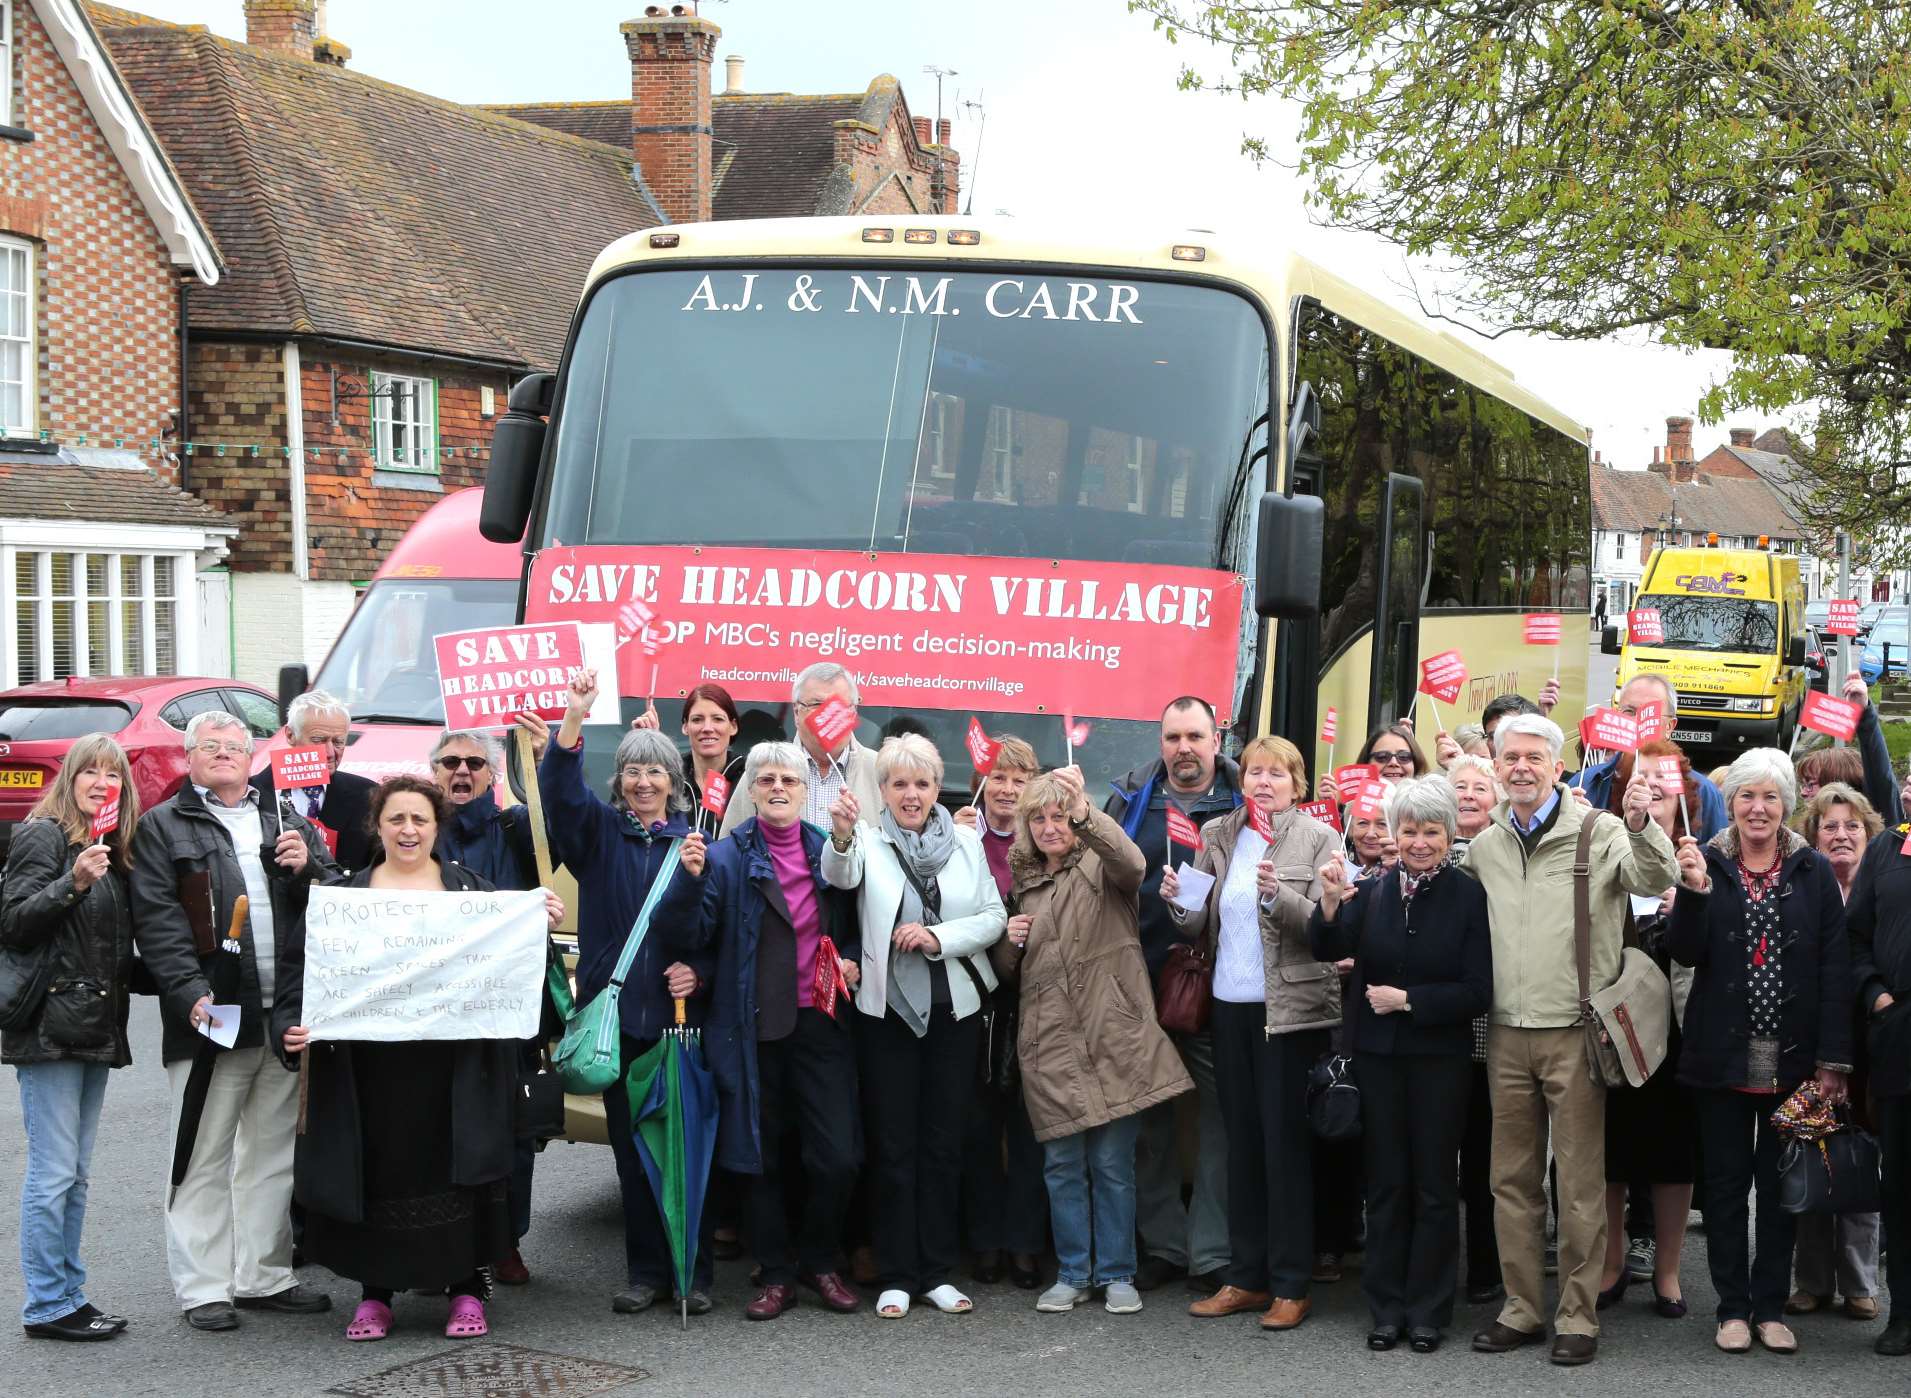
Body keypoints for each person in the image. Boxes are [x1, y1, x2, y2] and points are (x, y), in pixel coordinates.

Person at [276, 776, 564, 1342]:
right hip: (372, 1074)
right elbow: (298, 975)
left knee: (458, 1176)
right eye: (396, 820)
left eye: (420, 820)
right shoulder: (344, 901)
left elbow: (516, 968)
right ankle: (375, 1296)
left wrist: (537, 926)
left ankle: (464, 1290)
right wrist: (288, 1026)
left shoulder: (472, 894)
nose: (408, 830)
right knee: (380, 1176)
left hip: (456, 1070)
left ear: (437, 827)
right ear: (377, 827)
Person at [1464, 715, 1676, 1367]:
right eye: (1510, 757)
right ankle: (1522, 1307)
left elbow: (1652, 877)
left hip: (1574, 1029)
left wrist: (1642, 824)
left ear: (1557, 768)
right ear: (1496, 766)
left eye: (1535, 757)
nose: (1520, 767)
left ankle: (1576, 1316)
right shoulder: (1484, 846)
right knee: (1510, 1180)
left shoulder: (1598, 830)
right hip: (1502, 1033)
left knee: (1579, 1183)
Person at [131, 711, 337, 1332]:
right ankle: (203, 1288)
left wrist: (312, 867)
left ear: (252, 757)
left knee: (273, 1152)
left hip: (283, 1013)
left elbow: (333, 901)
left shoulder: (286, 818)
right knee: (202, 1152)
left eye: (235, 746)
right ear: (188, 757)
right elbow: (159, 922)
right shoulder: (163, 826)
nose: (224, 753)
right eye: (210, 746)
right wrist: (190, 994)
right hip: (213, 1012)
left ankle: (263, 1275)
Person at [657, 742, 864, 1322]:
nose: (777, 788)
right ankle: (776, 1274)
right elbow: (688, 934)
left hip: (821, 1020)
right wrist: (689, 880)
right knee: (760, 1156)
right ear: (750, 790)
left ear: (805, 791)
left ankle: (820, 1260)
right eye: (766, 778)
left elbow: (852, 926)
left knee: (838, 1157)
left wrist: (850, 959)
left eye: (789, 781)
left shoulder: (829, 849)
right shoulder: (722, 857)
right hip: (751, 1029)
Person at [1667, 747, 1853, 1356]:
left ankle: (1770, 1306)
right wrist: (1691, 892)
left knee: (1779, 1191)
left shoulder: (1812, 869)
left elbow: (1833, 966)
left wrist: (1832, 1059)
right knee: (1723, 1186)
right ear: (1733, 802)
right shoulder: (1708, 861)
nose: (1758, 807)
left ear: (1786, 806)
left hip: (1793, 1058)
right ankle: (1733, 1308)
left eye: (1770, 796)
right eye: (1747, 795)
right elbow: (1686, 952)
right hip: (1721, 1054)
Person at [540, 670, 714, 1316]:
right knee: (633, 1160)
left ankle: (692, 1277)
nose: (644, 782)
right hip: (620, 1027)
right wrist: (574, 718)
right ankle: (644, 1273)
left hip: (678, 1025)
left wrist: (697, 959)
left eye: (656, 773)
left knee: (685, 1152)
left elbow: (702, 934)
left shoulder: (693, 846)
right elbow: (558, 794)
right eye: (634, 773)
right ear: (621, 781)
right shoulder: (598, 837)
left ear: (674, 783)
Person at [996, 765, 1192, 1316]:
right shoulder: (1024, 885)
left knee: (1112, 1165)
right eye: (1040, 818)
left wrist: (1086, 813)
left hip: (1114, 1036)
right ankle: (1074, 1273)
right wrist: (1009, 943)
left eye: (1059, 816)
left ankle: (1117, 1273)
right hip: (1051, 1044)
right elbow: (1011, 973)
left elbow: (1133, 863)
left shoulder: (1101, 867)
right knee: (1061, 1166)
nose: (1050, 826)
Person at [823, 734, 1006, 1318]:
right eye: (899, 783)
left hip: (954, 1012)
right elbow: (840, 874)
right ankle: (898, 1273)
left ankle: (935, 1272)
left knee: (943, 1145)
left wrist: (937, 939)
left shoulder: (968, 843)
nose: (910, 794)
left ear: (936, 789)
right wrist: (844, 833)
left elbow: (993, 917)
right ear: (882, 791)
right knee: (893, 1147)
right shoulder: (867, 844)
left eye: (921, 783)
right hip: (886, 1017)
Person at [1164, 737, 1340, 1332]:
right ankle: (1246, 1275)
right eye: (1256, 772)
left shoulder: (1318, 838)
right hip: (1228, 1007)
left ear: (1298, 783)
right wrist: (1177, 902)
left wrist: (1278, 894)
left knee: (1284, 1148)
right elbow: (1197, 918)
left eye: (1277, 773)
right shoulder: (1219, 832)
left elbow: (1324, 929)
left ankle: (1291, 1285)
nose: (1264, 782)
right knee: (1239, 1144)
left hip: (1287, 1013)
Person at [1310, 776, 1490, 1352]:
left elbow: (1477, 989)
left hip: (1440, 1061)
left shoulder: (1468, 895)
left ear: (1449, 833)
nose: (1418, 842)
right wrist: (1332, 901)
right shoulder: (1374, 890)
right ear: (1393, 833)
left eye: (1430, 831)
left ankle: (1430, 1310)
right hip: (1379, 1060)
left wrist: (1409, 1001)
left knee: (1435, 1187)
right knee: (1386, 1186)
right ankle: (1385, 1308)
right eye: (1408, 830)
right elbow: (1327, 944)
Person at [3, 735, 139, 1341]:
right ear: (71, 777)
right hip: (49, 1029)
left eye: (113, 773)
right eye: (91, 770)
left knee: (76, 1174)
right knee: (54, 1173)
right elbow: (13, 923)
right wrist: (73, 883)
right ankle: (47, 1304)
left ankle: (69, 1295)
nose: (101, 781)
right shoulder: (45, 835)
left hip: (91, 1028)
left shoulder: (106, 845)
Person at [1104, 697, 1239, 1293]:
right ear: (1160, 742)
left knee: (1222, 1123)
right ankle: (1161, 1245)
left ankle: (1211, 1253)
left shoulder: (1245, 799)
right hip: (1141, 981)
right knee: (1151, 1126)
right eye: (1172, 737)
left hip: (1222, 985)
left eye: (1195, 736)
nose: (1184, 748)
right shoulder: (1130, 799)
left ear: (1217, 739)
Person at [429, 721, 549, 1287]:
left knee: (512, 1128)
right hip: (436, 1006)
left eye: (474, 764)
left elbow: (560, 833)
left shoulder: (516, 826)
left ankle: (506, 1242)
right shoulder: (415, 831)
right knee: (438, 1125)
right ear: (433, 774)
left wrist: (547, 758)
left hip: (507, 1002)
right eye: (450, 762)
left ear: (493, 776)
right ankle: (444, 1241)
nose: (461, 772)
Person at [1595, 738, 1699, 1322]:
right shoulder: (1607, 846)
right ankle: (1611, 1264)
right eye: (1643, 786)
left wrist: (1687, 896)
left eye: (1664, 788)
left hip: (1676, 1023)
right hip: (1614, 1016)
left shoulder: (1697, 853)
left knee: (1671, 1152)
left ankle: (1667, 1270)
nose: (1654, 796)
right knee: (1611, 1148)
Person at [1787, 783, 1884, 1322]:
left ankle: (1861, 1283)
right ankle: (1812, 1281)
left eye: (1853, 827)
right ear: (1813, 836)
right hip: (1811, 1047)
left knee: (1861, 1166)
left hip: (1871, 1054)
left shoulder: (1882, 891)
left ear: (1870, 837)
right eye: (1830, 826)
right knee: (1810, 1161)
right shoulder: (1807, 890)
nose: (1842, 835)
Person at [952, 736, 1047, 1290]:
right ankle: (984, 1242)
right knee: (979, 1127)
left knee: (1032, 1127)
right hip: (976, 998)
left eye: (1019, 777)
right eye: (999, 776)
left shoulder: (1047, 839)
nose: (1007, 788)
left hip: (1034, 998)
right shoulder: (960, 837)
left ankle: (1026, 1245)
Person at [1847, 763, 1911, 1356]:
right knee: (1902, 1183)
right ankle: (1904, 1315)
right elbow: (1856, 935)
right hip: (1900, 1039)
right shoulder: (1890, 847)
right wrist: (1876, 995)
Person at [1447, 754, 1504, 1306]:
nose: (1467, 794)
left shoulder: (1505, 851)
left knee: (1488, 1163)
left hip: (1491, 1028)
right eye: (1457, 786)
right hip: (1440, 1031)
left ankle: (1486, 1268)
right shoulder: (1429, 852)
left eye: (1478, 786)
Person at [721, 662, 879, 834]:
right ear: (796, 712)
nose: (826, 714)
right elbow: (730, 848)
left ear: (854, 711)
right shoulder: (763, 769)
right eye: (816, 704)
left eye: (837, 704)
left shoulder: (881, 770)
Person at [1570, 675, 1728, 839]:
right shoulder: (1586, 784)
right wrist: (1568, 823)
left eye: (1650, 714)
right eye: (1629, 712)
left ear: (1669, 727)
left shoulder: (1704, 792)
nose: (1638, 723)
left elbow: (1717, 857)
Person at [250, 690, 377, 873]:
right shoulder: (252, 793)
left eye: (339, 742)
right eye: (318, 740)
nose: (330, 753)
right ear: (290, 735)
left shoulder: (368, 795)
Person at [632, 681, 746, 818]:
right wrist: (647, 750)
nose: (707, 728)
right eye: (697, 720)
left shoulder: (752, 777)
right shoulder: (667, 775)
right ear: (685, 727)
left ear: (733, 726)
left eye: (718, 719)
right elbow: (625, 819)